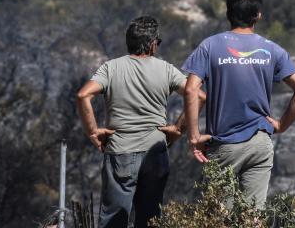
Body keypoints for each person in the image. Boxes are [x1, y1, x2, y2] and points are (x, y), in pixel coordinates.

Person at [183, 0, 295, 209]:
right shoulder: (272, 49)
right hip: (260, 142)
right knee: (253, 217)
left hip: (224, 143)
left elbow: (191, 90)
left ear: (228, 14)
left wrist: (194, 136)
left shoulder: (210, 46)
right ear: (258, 15)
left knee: (221, 217)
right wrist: (281, 125)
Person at [77, 16, 206, 228]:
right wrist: (177, 129)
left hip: (120, 151)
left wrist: (93, 132)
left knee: (114, 220)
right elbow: (199, 96)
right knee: (150, 218)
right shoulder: (166, 69)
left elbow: (83, 96)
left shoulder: (111, 68)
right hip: (155, 151)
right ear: (152, 43)